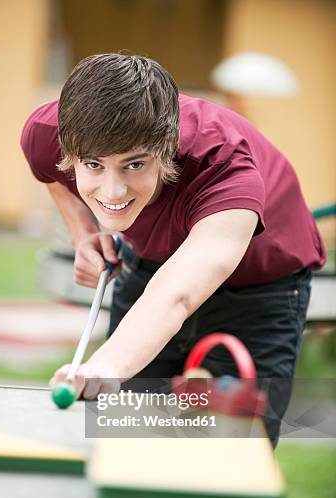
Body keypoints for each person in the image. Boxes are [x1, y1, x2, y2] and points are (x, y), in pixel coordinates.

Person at [21, 53, 326, 447]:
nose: (113, 191)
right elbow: (49, 172)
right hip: (151, 264)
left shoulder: (225, 167)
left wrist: (108, 365)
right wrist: (83, 234)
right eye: (94, 165)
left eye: (134, 165)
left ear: (167, 149)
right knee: (124, 437)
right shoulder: (48, 131)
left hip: (260, 291)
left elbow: (177, 293)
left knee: (231, 452)